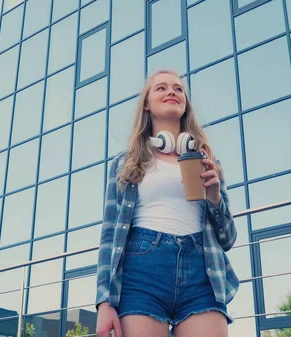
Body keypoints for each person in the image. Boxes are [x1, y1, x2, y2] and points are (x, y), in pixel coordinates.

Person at [95, 69, 239, 337]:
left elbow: (228, 238)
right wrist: (104, 301)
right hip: (142, 270)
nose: (171, 91)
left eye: (178, 88)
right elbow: (109, 235)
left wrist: (215, 197)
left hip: (202, 272)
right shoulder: (125, 163)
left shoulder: (207, 161)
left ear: (185, 105)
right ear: (146, 104)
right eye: (161, 88)